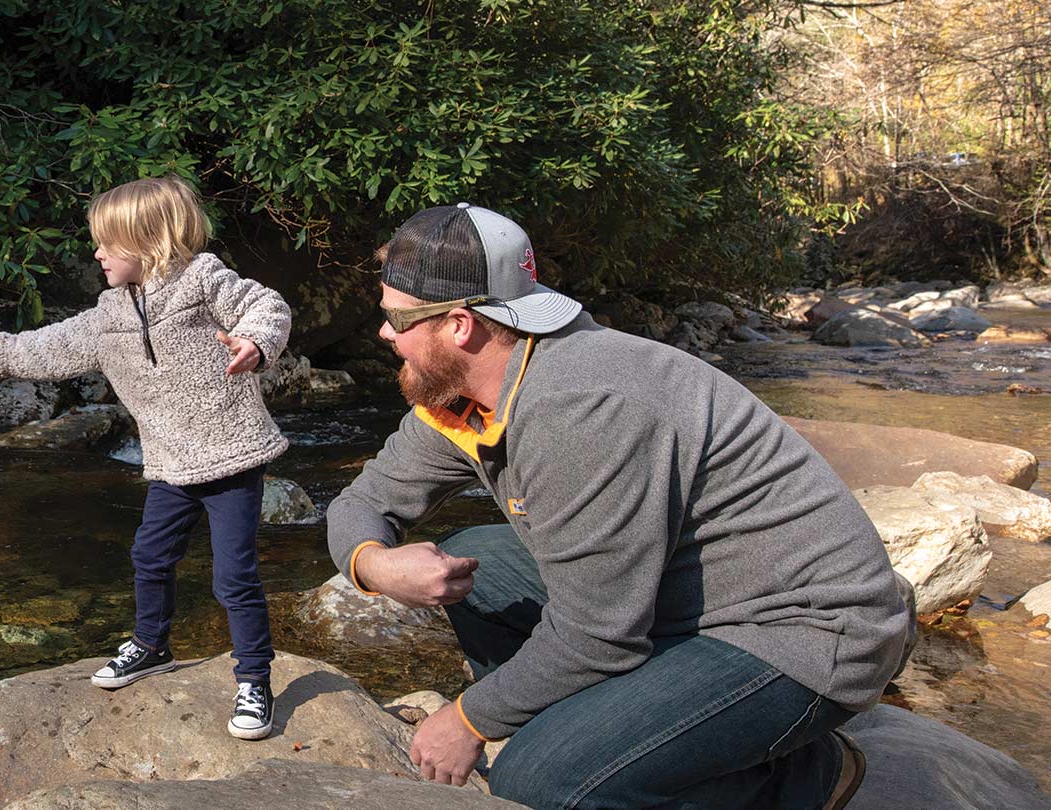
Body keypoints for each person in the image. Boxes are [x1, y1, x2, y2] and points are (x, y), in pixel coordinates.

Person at [325, 203, 914, 808]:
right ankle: (606, 730)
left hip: (803, 632)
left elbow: (599, 636)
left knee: (538, 781)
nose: (384, 333)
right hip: (680, 600)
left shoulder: (581, 407)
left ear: (458, 325)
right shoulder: (470, 391)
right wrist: (374, 565)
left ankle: (797, 779)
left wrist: (468, 720)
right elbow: (363, 501)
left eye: (395, 317)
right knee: (479, 564)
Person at [0, 176, 292, 740]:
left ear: (151, 241)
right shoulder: (109, 311)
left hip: (232, 455)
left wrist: (254, 342)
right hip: (171, 462)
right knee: (149, 555)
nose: (97, 254)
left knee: (234, 577)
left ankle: (254, 679)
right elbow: (64, 342)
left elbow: (265, 303)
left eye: (108, 244)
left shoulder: (201, 280)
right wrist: (11, 354)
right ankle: (152, 645)